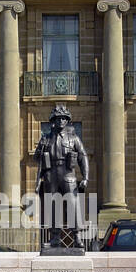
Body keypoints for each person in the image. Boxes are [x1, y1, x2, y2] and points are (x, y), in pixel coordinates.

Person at [34, 104, 89, 249]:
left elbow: (83, 157)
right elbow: (37, 159)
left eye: (64, 119)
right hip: (50, 174)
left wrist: (85, 177)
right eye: (58, 119)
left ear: (67, 121)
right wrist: (40, 150)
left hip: (68, 173)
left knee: (72, 205)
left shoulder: (74, 138)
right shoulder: (46, 138)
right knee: (53, 207)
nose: (61, 121)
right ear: (53, 120)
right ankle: (55, 237)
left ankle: (77, 237)